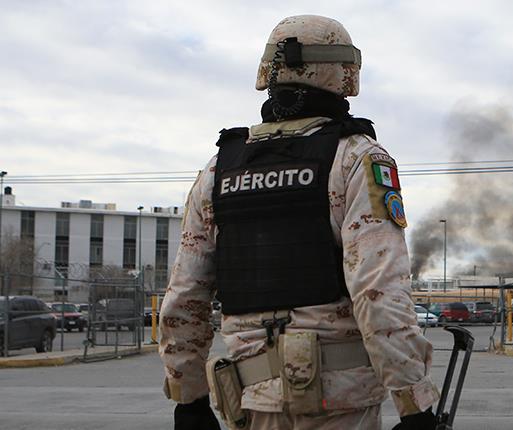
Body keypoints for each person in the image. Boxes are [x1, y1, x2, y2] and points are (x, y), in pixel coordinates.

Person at [159, 15, 438, 430]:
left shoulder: (220, 168)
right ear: (342, 74)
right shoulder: (357, 158)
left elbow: (185, 296)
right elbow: (378, 291)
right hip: (339, 403)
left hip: (249, 402)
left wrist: (189, 399)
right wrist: (414, 404)